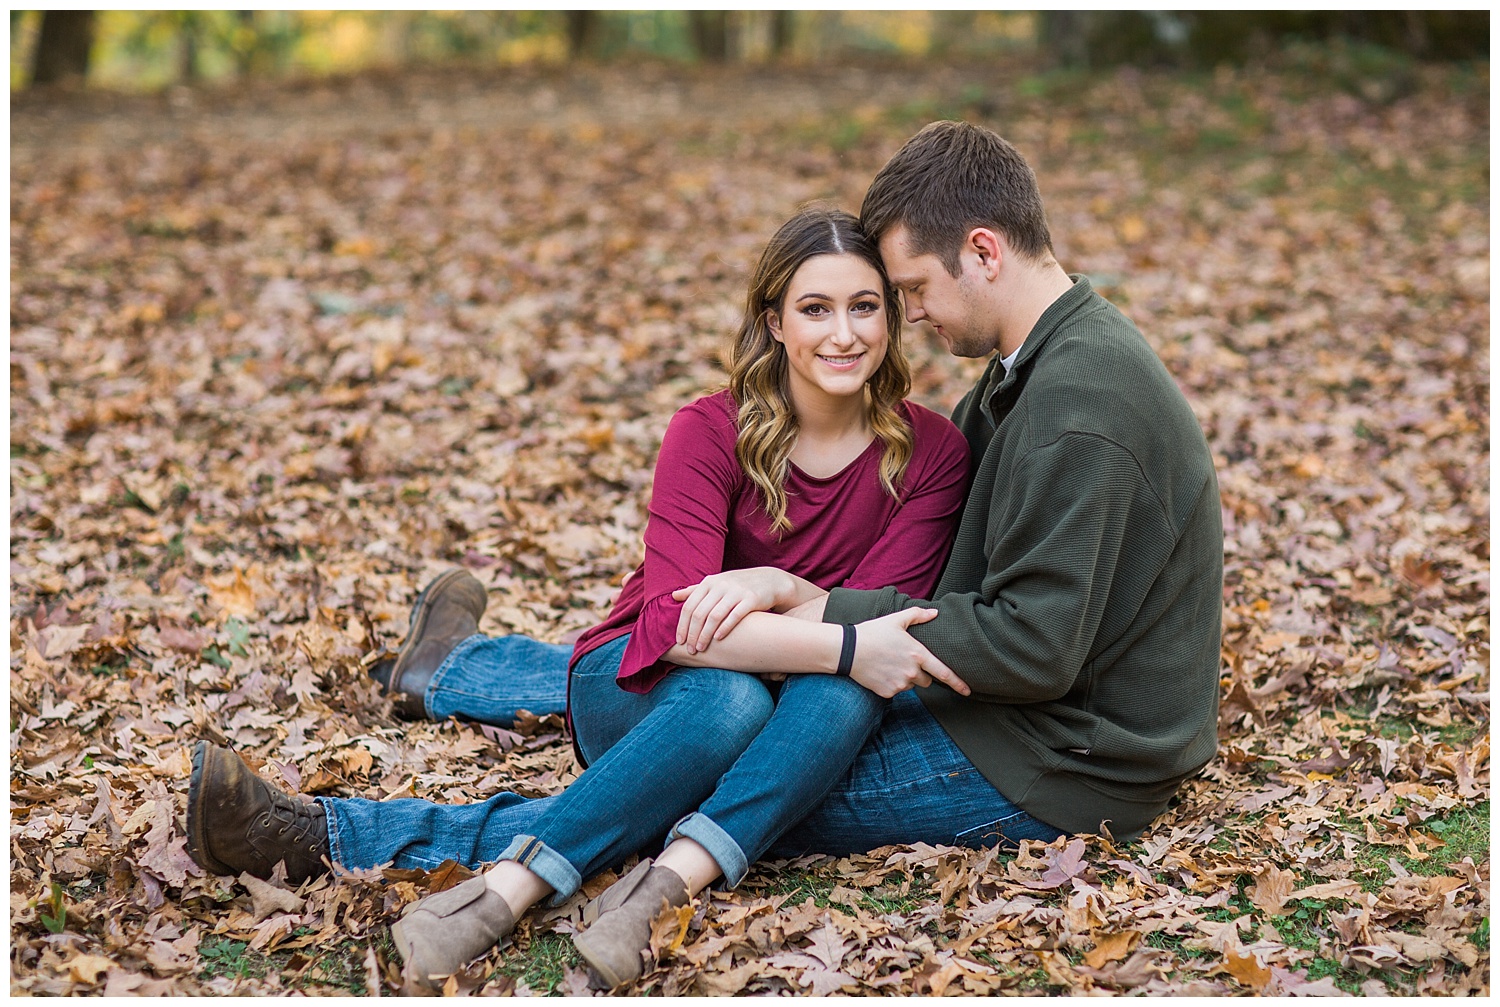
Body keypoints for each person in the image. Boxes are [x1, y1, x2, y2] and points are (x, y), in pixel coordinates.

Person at [185, 207, 973, 991]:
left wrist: (774, 586)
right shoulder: (708, 430)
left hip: (805, 710)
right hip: (638, 684)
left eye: (864, 306)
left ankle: (593, 888)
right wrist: (839, 640)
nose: (843, 334)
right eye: (815, 308)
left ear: (891, 313)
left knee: (833, 692)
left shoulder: (930, 452)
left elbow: (884, 617)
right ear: (772, 321)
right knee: (739, 699)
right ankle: (493, 828)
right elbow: (675, 629)